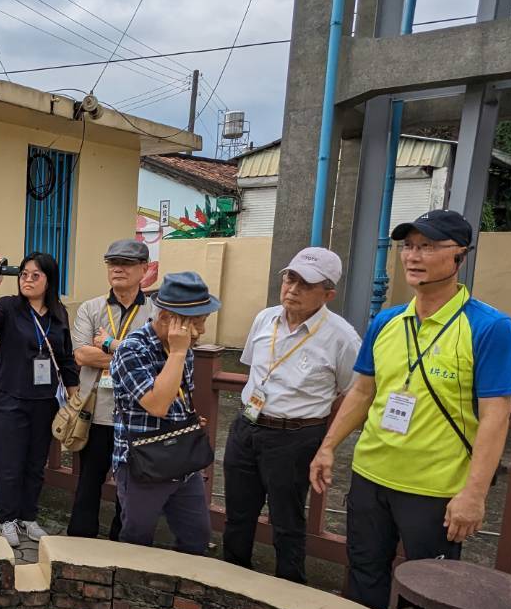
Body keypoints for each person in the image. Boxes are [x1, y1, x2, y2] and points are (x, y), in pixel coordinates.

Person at [311, 210, 511, 609]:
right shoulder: (388, 321)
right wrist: (328, 446)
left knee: (434, 589)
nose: (413, 256)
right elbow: (362, 392)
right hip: (372, 474)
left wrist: (474, 493)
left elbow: (496, 416)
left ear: (459, 255)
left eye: (428, 246)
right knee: (363, 572)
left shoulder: (489, 327)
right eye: (408, 246)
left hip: (435, 488)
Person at [222, 248, 362, 583]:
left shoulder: (342, 338)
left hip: (295, 437)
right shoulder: (265, 318)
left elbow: (355, 393)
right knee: (238, 514)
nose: (293, 289)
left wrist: (326, 441)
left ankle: (289, 593)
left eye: (306, 284)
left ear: (328, 293)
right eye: (290, 278)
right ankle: (231, 578)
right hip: (248, 425)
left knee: (286, 520)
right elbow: (253, 369)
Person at [0, 251, 80, 547]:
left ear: (49, 280)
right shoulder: (9, 307)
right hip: (10, 399)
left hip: (45, 401)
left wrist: (74, 399)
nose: (28, 280)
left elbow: (67, 358)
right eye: (24, 275)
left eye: (36, 275)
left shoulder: (59, 313)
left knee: (36, 463)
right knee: (10, 463)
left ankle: (28, 517)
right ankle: (7, 519)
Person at [109, 272, 219, 553]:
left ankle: (183, 595)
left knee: (197, 536)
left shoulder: (185, 351)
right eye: (198, 321)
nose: (202, 330)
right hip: (142, 464)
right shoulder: (133, 349)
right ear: (170, 318)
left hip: (181, 462)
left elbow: (175, 400)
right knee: (137, 540)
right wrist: (178, 354)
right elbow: (156, 405)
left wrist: (187, 418)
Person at [67, 239, 155, 539]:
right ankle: (78, 548)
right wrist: (135, 354)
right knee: (87, 483)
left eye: (127, 263)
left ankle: (123, 547)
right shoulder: (91, 308)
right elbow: (81, 355)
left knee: (130, 490)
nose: (118, 268)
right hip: (97, 413)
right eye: (112, 262)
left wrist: (108, 346)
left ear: (144, 269)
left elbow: (159, 361)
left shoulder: (156, 313)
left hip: (139, 415)